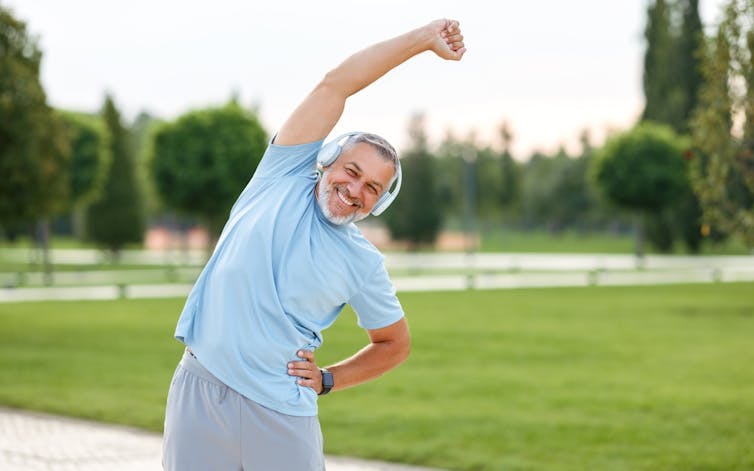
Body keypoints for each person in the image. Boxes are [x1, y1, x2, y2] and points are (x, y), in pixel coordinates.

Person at [162, 18, 466, 471]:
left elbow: (394, 344)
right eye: (353, 171)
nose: (356, 189)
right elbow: (336, 85)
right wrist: (422, 40)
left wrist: (328, 379)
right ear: (326, 160)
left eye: (373, 188)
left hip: (282, 414)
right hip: (199, 391)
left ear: (379, 203)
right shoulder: (280, 175)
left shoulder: (362, 262)